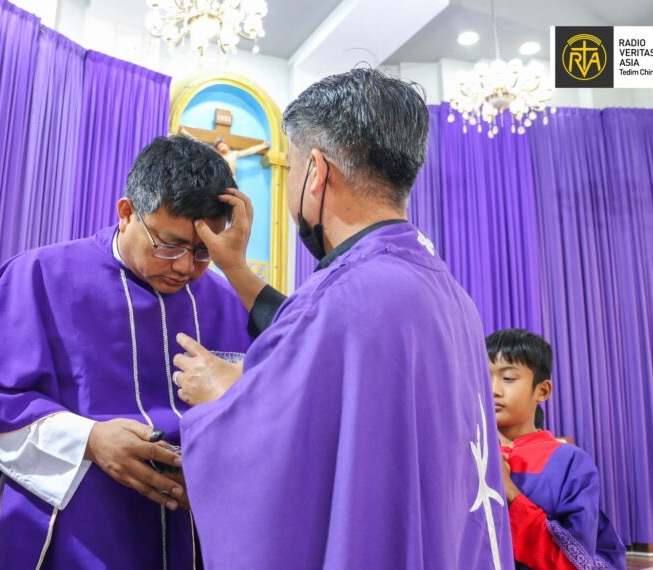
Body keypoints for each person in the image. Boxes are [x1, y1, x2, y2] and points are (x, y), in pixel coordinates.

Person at [172, 68, 514, 568]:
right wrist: (236, 270)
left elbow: (276, 469)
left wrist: (221, 400)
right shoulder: (446, 291)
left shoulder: (345, 295)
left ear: (316, 171)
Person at [0, 135, 251, 569]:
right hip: (68, 524)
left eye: (202, 253)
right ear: (126, 213)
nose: (183, 267)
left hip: (186, 529)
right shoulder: (42, 275)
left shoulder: (226, 302)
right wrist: (90, 440)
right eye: (169, 244)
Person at [487, 329, 625, 569]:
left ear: (542, 391)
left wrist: (511, 493)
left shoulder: (569, 462)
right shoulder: (467, 455)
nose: (493, 389)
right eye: (484, 377)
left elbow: (575, 561)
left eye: (508, 378)